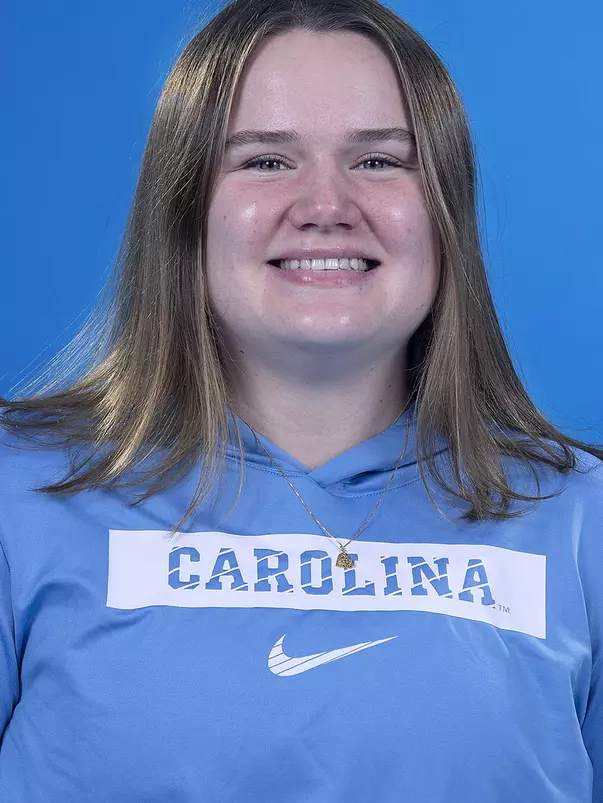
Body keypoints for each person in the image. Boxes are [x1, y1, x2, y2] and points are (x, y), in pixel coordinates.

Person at [0, 0, 602, 799]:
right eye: (265, 161)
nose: (325, 205)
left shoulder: (580, 519)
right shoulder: (19, 494)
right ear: (183, 210)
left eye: (381, 161)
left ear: (446, 214)